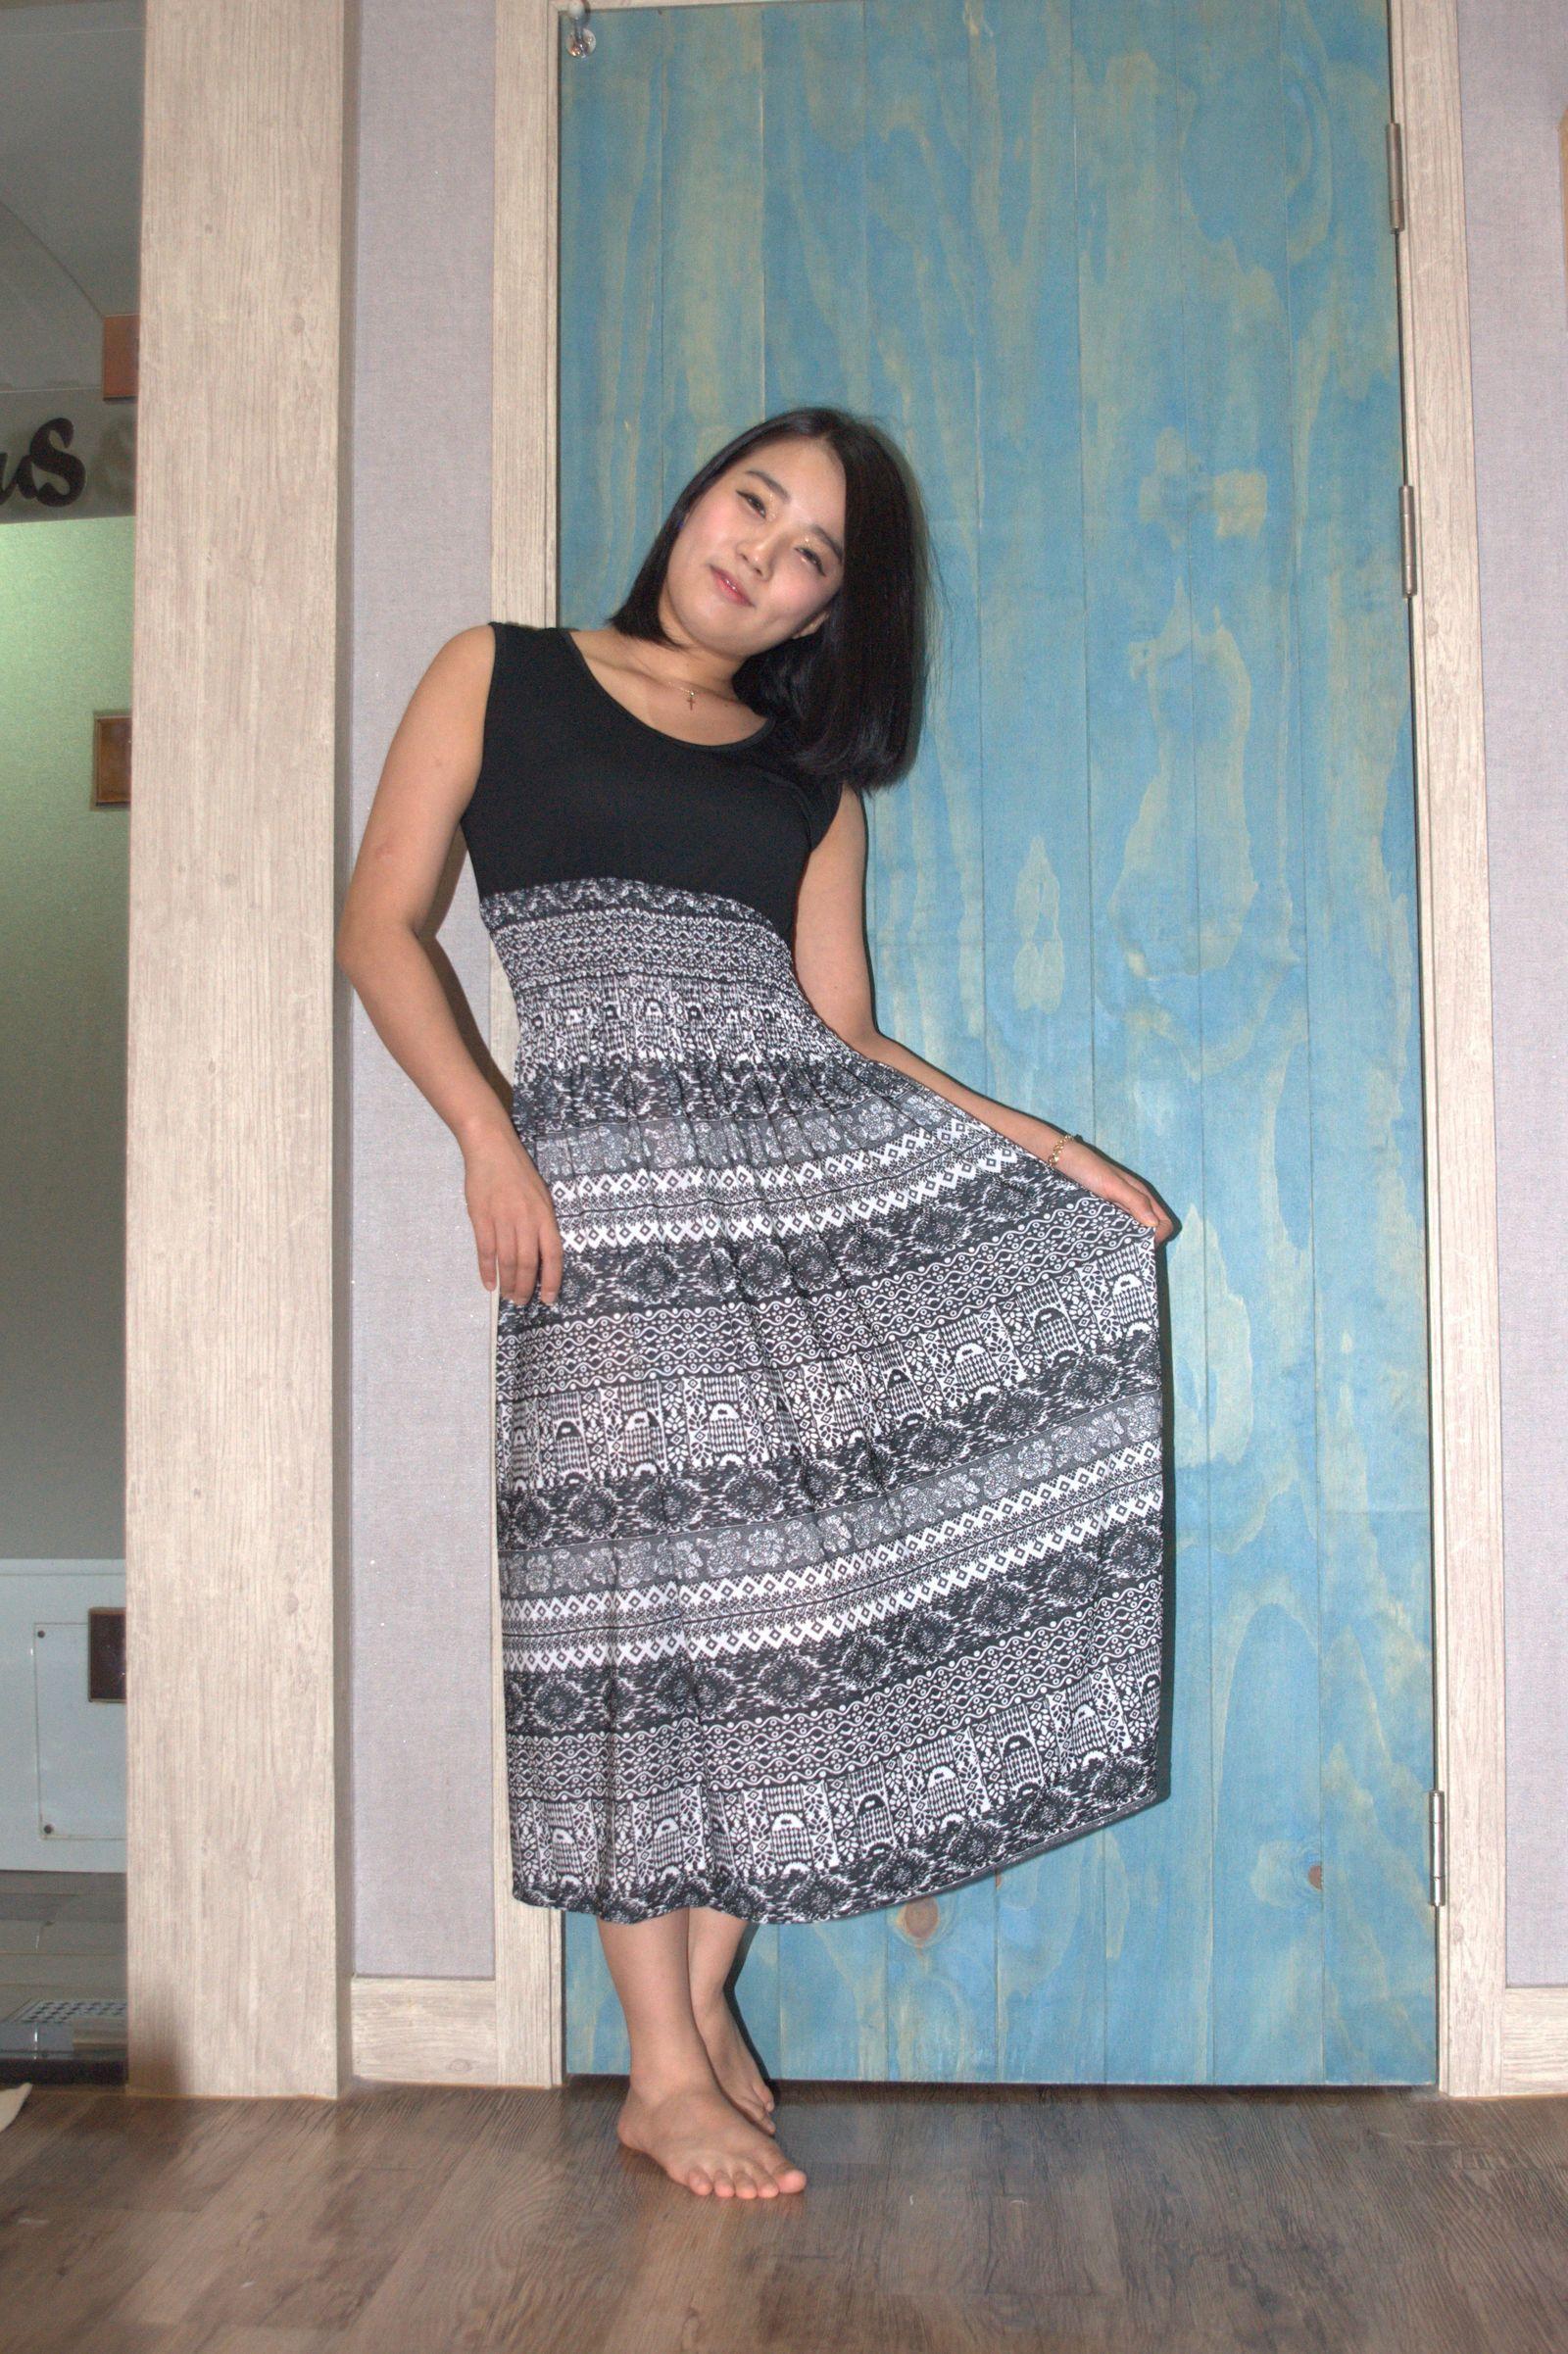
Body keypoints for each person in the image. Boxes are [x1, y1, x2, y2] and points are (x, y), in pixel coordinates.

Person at [337, 406, 1176, 2202]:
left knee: (783, 1615)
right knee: (626, 1625)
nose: (765, 555)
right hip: (600, 1220)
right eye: (756, 502)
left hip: (789, 1214)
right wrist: (487, 1135)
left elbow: (844, 1036)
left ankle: (701, 1997)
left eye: (812, 557)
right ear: (698, 496)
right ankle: (658, 2069)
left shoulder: (811, 785)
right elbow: (378, 925)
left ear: (824, 612)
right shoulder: (500, 673)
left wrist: (1054, 1157)